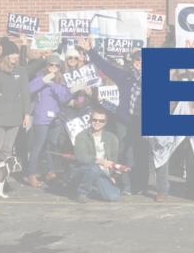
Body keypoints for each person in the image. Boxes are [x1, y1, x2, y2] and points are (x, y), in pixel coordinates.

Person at [75, 35, 144, 195]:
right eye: (137, 60)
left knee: (141, 153)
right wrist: (89, 50)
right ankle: (127, 184)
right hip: (123, 120)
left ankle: (140, 184)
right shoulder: (123, 75)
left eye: (142, 60)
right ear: (132, 61)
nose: (140, 62)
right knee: (125, 154)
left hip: (140, 120)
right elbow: (103, 65)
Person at [26, 55, 89, 187]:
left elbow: (63, 98)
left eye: (56, 65)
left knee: (51, 146)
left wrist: (72, 90)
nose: (53, 67)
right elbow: (28, 90)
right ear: (47, 65)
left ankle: (51, 172)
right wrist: (43, 80)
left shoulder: (60, 80)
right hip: (42, 117)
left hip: (56, 118)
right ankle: (31, 174)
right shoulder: (40, 77)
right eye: (51, 64)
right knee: (38, 146)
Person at [0, 37, 31, 162]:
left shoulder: (21, 71)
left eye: (16, 53)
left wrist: (26, 114)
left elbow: (26, 94)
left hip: (16, 116)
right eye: (12, 53)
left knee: (7, 149)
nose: (15, 56)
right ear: (6, 55)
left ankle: (2, 179)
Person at [71, 107, 120, 204]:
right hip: (83, 169)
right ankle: (82, 193)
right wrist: (101, 162)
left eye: (101, 120)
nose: (97, 122)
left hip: (102, 172)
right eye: (95, 120)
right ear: (90, 120)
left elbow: (113, 159)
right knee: (94, 168)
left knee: (113, 197)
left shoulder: (112, 138)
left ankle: (105, 186)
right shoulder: (81, 136)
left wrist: (110, 175)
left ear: (105, 122)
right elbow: (81, 157)